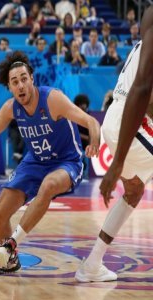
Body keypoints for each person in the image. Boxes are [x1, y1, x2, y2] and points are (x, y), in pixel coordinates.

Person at [0, 51, 100, 274]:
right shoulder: (11, 108)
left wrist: (95, 141)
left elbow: (90, 121)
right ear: (10, 88)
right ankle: (10, 262)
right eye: (15, 82)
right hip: (36, 162)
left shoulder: (52, 99)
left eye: (24, 79)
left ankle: (10, 245)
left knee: (49, 186)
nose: (20, 85)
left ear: (32, 78)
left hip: (67, 161)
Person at [75, 6, 153, 283]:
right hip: (127, 120)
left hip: (120, 117)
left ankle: (92, 264)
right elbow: (142, 91)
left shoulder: (148, 20)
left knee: (134, 191)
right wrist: (117, 162)